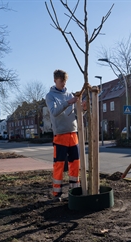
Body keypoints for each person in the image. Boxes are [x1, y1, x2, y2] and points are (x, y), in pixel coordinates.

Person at [45, 69, 84, 200]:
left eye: (65, 81)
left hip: (73, 134)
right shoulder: (50, 96)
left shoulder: (70, 94)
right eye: (61, 81)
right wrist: (68, 102)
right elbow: (54, 112)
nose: (64, 83)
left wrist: (82, 109)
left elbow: (76, 115)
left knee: (75, 164)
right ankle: (57, 193)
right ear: (55, 80)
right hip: (60, 135)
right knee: (59, 165)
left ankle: (75, 191)